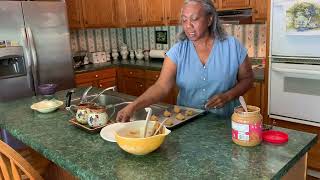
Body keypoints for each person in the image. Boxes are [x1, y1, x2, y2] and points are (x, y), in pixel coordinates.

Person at [116, 0, 254, 122]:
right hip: (188, 123)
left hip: (225, 123)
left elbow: (247, 79)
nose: (188, 26)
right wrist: (133, 106)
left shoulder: (232, 46)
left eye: (194, 19)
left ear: (210, 19)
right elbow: (161, 87)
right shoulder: (177, 51)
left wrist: (228, 96)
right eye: (184, 20)